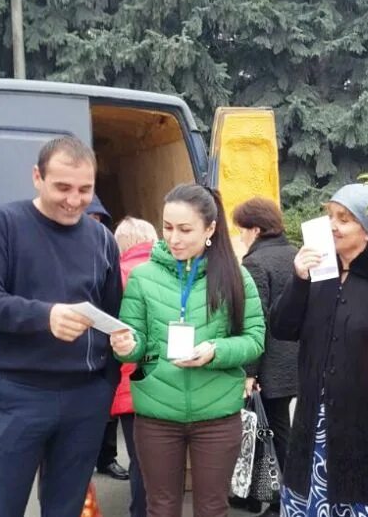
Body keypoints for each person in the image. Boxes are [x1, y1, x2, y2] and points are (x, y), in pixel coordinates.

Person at [0, 136, 122, 517]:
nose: (74, 200)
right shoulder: (1, 225)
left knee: (66, 510)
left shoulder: (102, 238)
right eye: (62, 187)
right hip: (19, 394)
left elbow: (114, 315)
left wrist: (108, 381)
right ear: (37, 177)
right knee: (2, 507)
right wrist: (44, 316)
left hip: (85, 398)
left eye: (85, 189)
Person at [109, 184, 266, 517]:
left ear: (210, 229)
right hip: (156, 415)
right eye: (167, 227)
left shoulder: (235, 276)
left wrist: (216, 350)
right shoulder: (143, 277)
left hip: (217, 416)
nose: (174, 238)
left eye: (184, 229)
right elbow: (133, 338)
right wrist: (126, 346)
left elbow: (254, 338)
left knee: (211, 508)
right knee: (161, 508)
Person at [270, 183, 368, 517]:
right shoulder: (320, 268)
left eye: (344, 219)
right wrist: (299, 279)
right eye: (330, 215)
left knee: (361, 497)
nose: (332, 225)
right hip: (314, 418)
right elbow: (283, 328)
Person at [231, 197, 299, 517]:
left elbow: (255, 323)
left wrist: (250, 372)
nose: (241, 237)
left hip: (270, 361)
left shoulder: (255, 264)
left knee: (271, 431)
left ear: (255, 229)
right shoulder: (295, 254)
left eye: (242, 230)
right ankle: (259, 494)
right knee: (271, 427)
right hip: (295, 359)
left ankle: (278, 499)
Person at [111, 216, 159, 517]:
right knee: (161, 460)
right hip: (166, 380)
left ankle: (140, 512)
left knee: (139, 460)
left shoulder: (115, 274)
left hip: (129, 383)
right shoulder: (168, 273)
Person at [86, 195, 131, 482]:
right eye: (90, 220)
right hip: (72, 345)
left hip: (104, 342)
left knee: (106, 407)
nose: (94, 226)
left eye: (99, 221)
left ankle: (106, 458)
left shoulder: (105, 250)